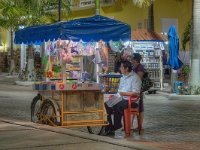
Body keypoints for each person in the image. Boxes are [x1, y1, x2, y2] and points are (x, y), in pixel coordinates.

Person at [103, 60, 141, 136]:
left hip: (130, 100)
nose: (120, 68)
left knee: (118, 105)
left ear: (126, 69)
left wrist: (123, 93)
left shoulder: (135, 77)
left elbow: (136, 93)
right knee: (106, 105)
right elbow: (119, 90)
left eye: (121, 67)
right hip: (120, 97)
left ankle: (117, 124)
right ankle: (109, 127)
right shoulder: (122, 77)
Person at [131, 53, 145, 130]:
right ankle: (130, 125)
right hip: (132, 89)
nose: (131, 60)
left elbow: (139, 77)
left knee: (140, 107)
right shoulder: (133, 67)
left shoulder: (140, 67)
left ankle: (140, 125)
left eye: (132, 59)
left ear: (135, 59)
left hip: (138, 90)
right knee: (132, 106)